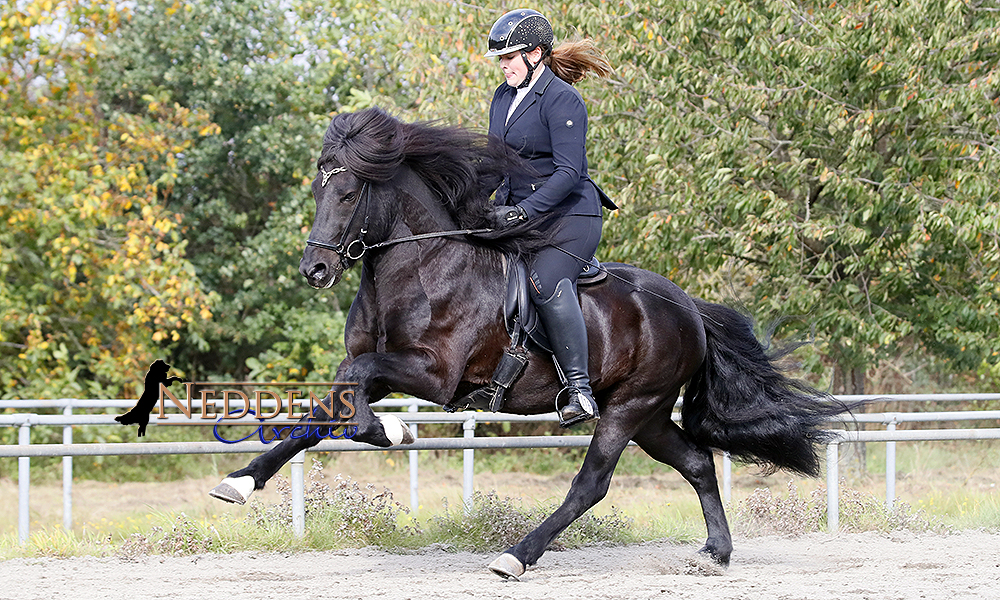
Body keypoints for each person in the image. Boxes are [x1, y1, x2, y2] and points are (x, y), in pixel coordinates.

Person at [484, 8, 616, 428]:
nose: (503, 65)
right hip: (520, 214)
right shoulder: (502, 97)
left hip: (570, 214)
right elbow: (494, 163)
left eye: (510, 57)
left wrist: (522, 210)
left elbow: (568, 173)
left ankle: (579, 389)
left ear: (535, 55)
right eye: (500, 59)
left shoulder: (562, 99)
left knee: (543, 281)